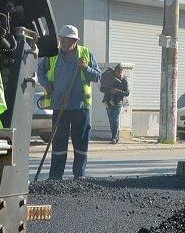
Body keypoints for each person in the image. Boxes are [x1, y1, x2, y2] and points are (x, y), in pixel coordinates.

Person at [37, 25, 101, 179]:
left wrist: (86, 68)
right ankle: (55, 177)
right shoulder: (53, 56)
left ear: (74, 40)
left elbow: (97, 77)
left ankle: (79, 175)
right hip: (60, 106)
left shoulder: (86, 55)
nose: (62, 42)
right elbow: (40, 71)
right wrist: (47, 84)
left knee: (81, 143)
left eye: (66, 39)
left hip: (81, 108)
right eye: (61, 39)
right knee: (59, 144)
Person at [99, 63, 129, 144]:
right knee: (111, 120)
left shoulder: (123, 80)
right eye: (117, 71)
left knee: (115, 119)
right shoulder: (109, 78)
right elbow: (102, 89)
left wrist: (117, 91)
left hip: (117, 102)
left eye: (120, 71)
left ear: (122, 72)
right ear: (115, 71)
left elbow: (127, 93)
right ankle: (115, 136)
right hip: (108, 101)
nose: (118, 73)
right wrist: (109, 90)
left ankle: (114, 138)